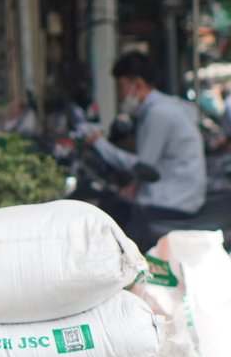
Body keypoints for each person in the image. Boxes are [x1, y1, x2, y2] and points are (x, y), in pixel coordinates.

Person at [81, 52, 207, 248]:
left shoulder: (158, 113)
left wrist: (100, 144)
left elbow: (142, 165)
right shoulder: (164, 107)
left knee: (124, 250)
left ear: (137, 85)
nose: (120, 96)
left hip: (171, 201)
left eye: (121, 88)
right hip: (176, 195)